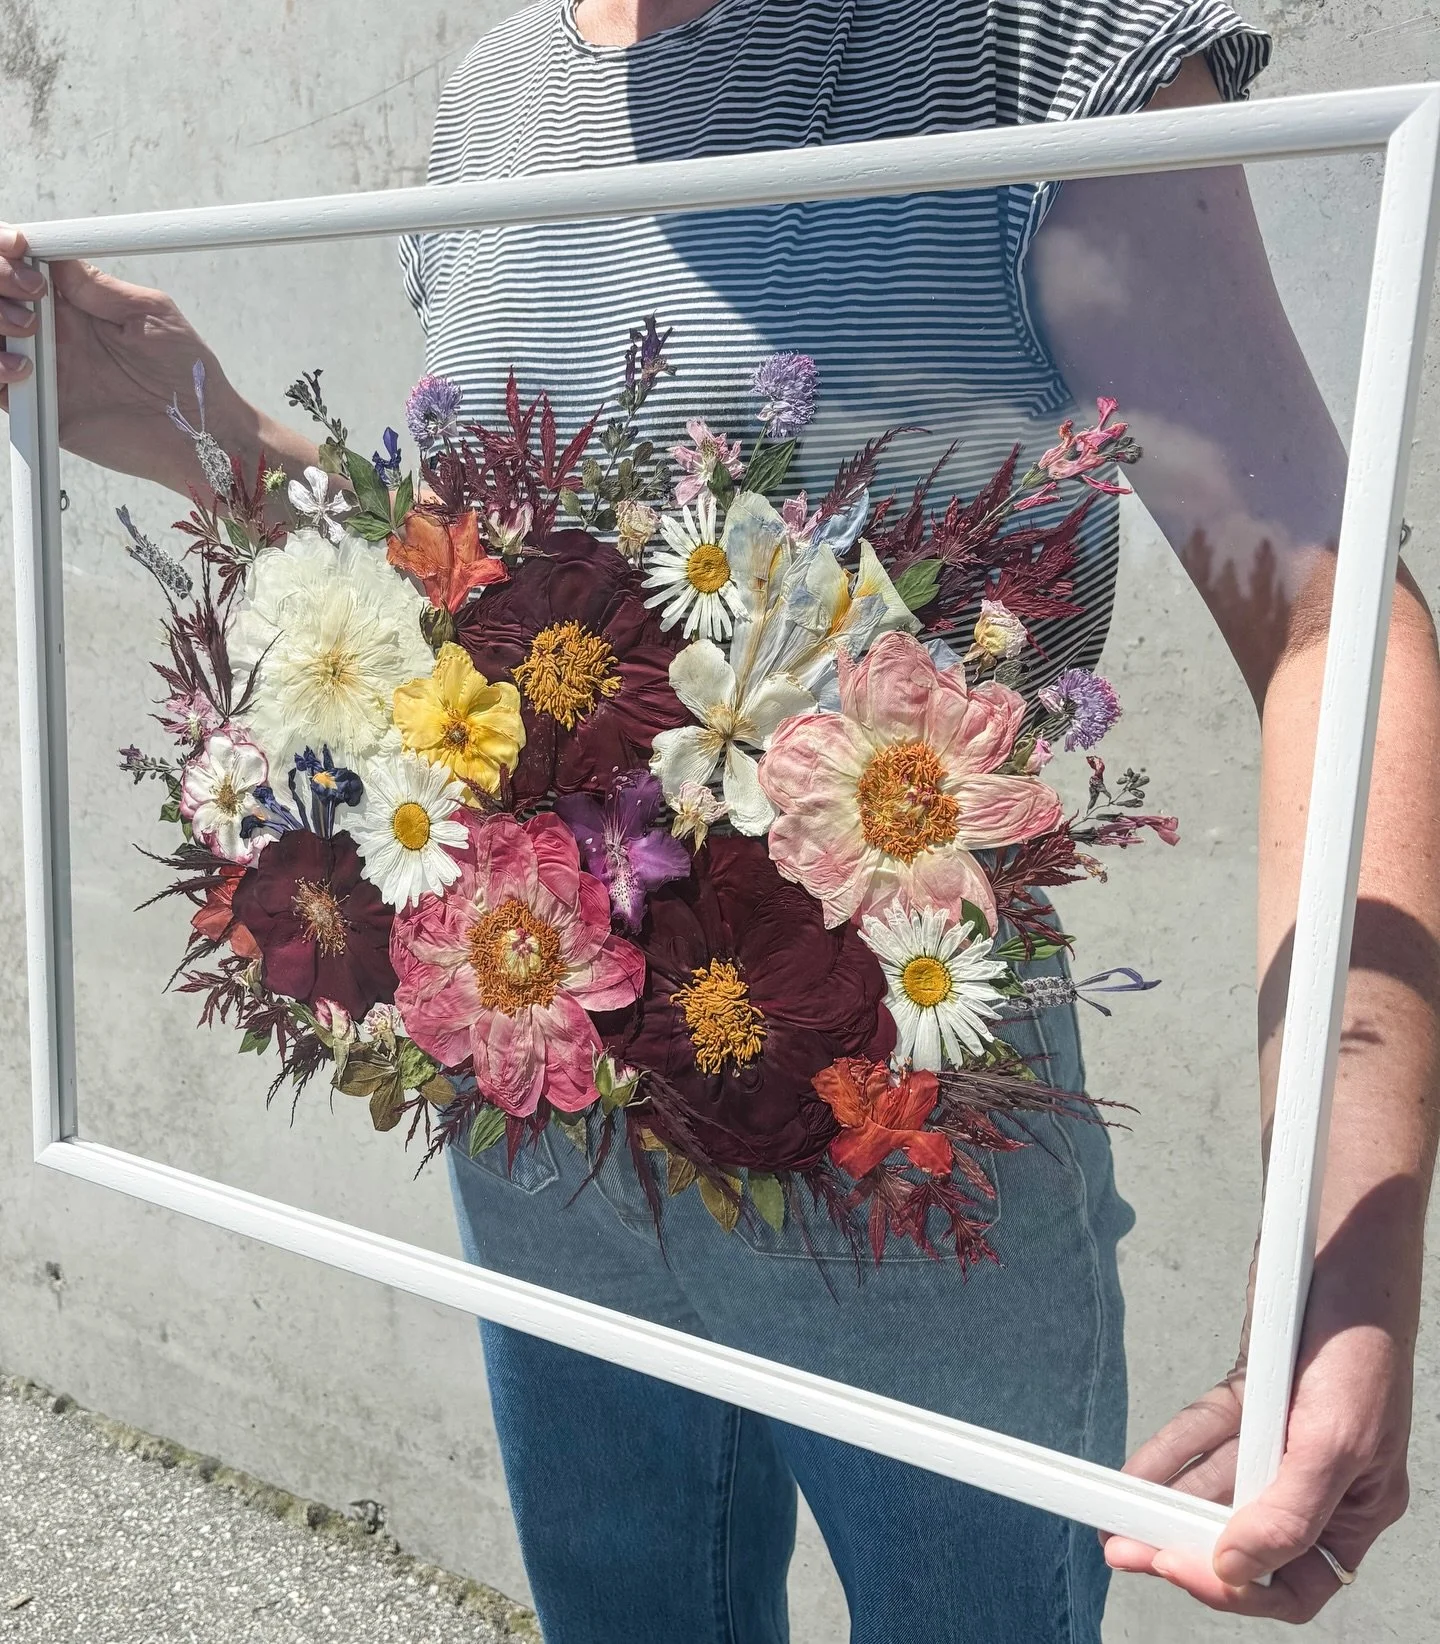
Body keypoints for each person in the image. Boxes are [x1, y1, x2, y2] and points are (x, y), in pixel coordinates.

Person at [3, 2, 1437, 1638]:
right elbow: (502, 596)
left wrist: (1344, 1249)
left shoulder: (1029, 51)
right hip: (546, 1114)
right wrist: (207, 432)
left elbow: (1327, 623)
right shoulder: (498, 98)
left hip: (906, 1137)